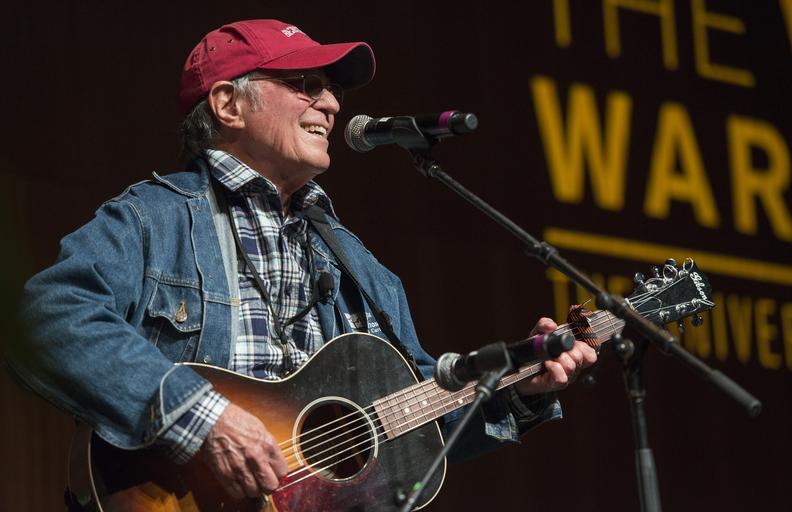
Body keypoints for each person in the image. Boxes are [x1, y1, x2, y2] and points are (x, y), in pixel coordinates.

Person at [8, 19, 597, 504]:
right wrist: (202, 417)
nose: (333, 104)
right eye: (307, 84)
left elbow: (418, 420)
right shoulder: (152, 218)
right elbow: (46, 317)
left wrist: (519, 391)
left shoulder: (363, 269)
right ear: (228, 104)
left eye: (331, 89)